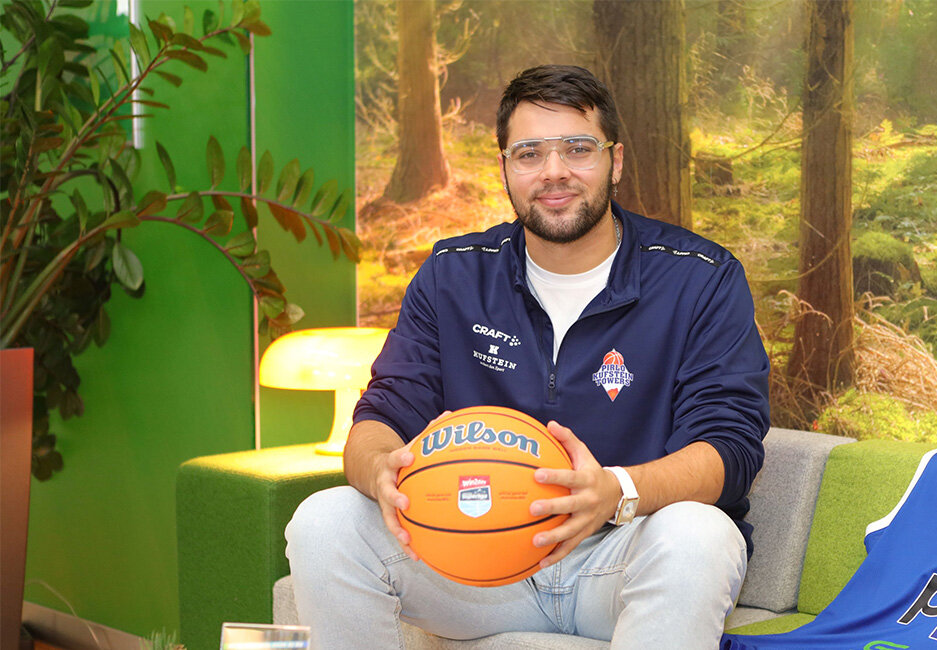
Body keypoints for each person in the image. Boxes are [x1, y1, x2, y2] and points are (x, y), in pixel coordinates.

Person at [285, 64, 770, 650]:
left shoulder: (701, 279)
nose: (554, 171)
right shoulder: (453, 274)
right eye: (530, 153)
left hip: (621, 560)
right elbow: (382, 414)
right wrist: (379, 467)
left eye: (577, 149)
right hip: (474, 558)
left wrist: (616, 491)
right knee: (326, 519)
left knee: (701, 533)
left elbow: (730, 445)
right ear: (506, 170)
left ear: (615, 162)